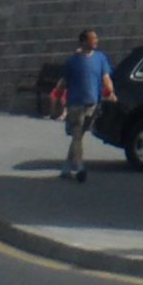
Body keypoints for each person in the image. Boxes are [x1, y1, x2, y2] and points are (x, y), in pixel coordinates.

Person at [51, 28, 116, 183]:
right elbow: (63, 82)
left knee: (78, 136)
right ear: (84, 41)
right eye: (93, 39)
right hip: (75, 104)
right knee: (77, 135)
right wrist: (56, 101)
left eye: (96, 38)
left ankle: (66, 168)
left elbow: (105, 77)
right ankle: (80, 167)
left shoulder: (101, 58)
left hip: (93, 104)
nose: (96, 41)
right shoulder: (72, 61)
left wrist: (111, 92)